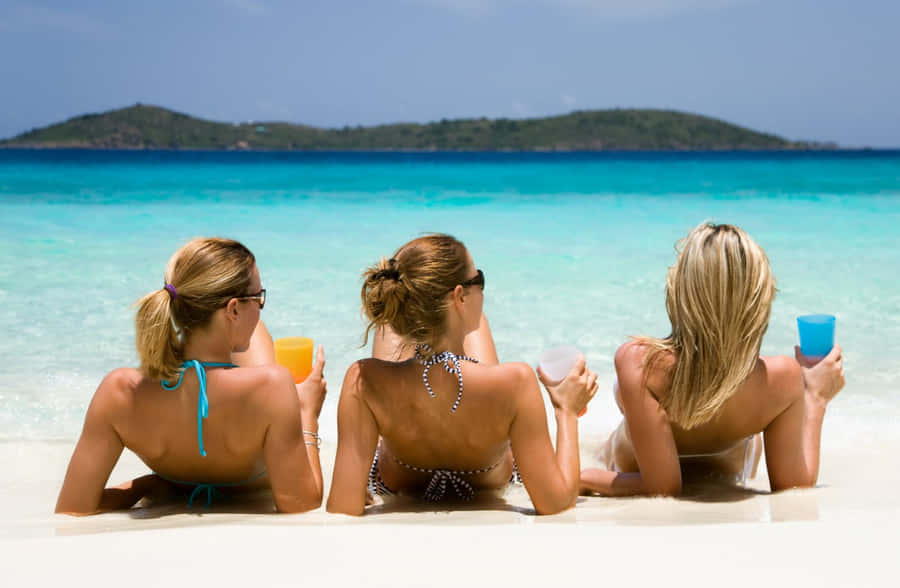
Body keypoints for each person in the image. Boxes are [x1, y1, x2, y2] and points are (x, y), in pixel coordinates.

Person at [326, 234, 597, 516]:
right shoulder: (516, 382)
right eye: (478, 280)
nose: (482, 288)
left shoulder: (363, 380)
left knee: (389, 328)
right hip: (489, 479)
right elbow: (557, 503)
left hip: (395, 481)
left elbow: (342, 509)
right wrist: (566, 410)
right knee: (476, 326)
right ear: (459, 295)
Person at [55, 237, 326, 515]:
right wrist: (307, 412)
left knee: (250, 335)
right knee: (256, 333)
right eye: (258, 298)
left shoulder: (119, 390)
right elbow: (301, 503)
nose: (259, 306)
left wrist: (144, 487)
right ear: (233, 309)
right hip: (249, 465)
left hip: (177, 468)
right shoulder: (273, 386)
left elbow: (73, 508)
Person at [580, 222, 845, 497]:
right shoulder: (783, 377)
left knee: (614, 424)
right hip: (727, 473)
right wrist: (816, 395)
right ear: (760, 300)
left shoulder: (642, 364)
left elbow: (661, 487)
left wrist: (585, 478)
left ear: (680, 291)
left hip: (631, 463)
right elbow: (794, 484)